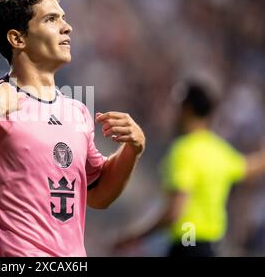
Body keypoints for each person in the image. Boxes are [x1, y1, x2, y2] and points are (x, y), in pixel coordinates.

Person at [0, 0, 145, 257]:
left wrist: (132, 150)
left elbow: (97, 194)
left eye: (63, 18)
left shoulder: (76, 112)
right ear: (18, 39)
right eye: (51, 19)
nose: (67, 27)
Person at [112, 81, 265, 257]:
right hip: (210, 247)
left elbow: (175, 211)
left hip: (187, 242)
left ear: (187, 109)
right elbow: (251, 168)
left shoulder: (184, 152)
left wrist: (136, 237)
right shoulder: (219, 150)